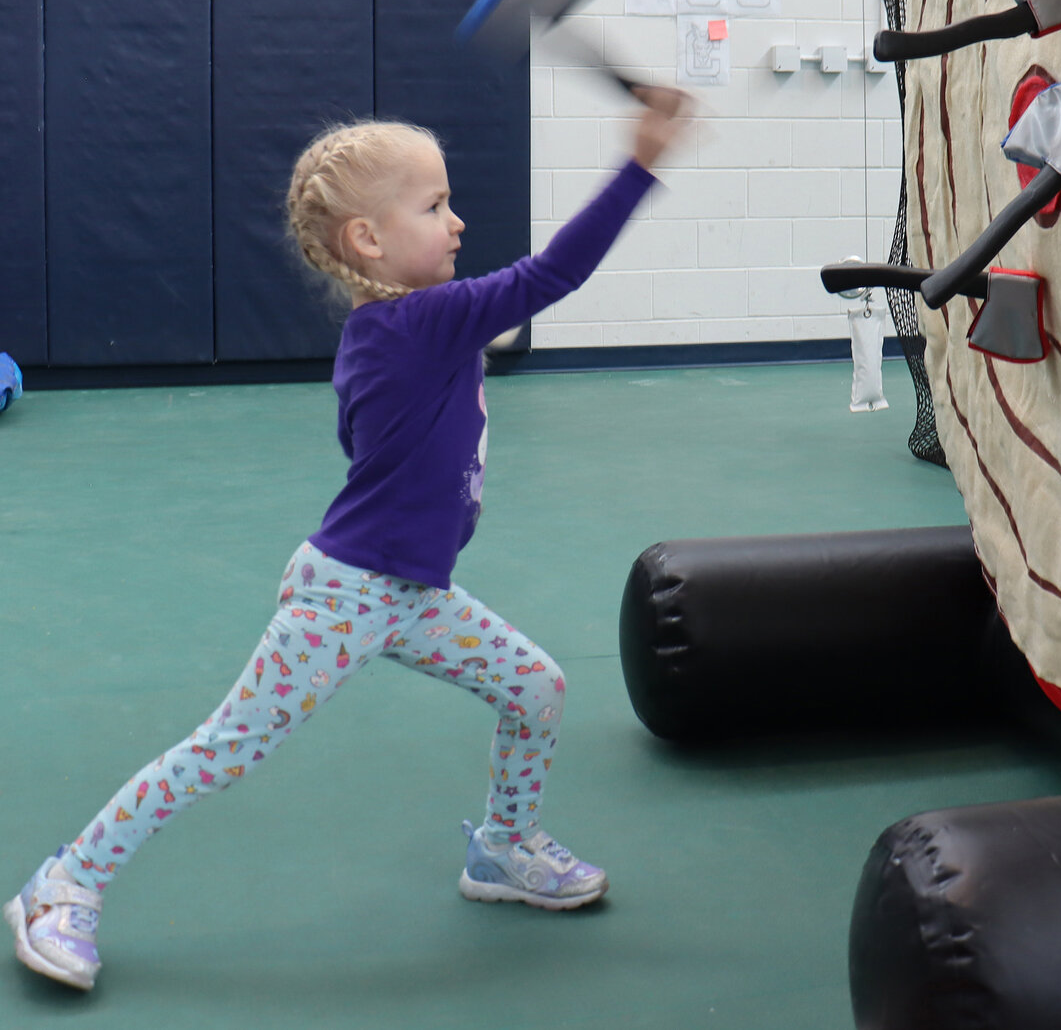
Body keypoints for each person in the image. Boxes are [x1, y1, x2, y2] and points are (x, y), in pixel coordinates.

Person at [5, 88, 691, 991]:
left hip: (411, 592)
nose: (457, 221)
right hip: (350, 597)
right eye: (434, 206)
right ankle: (65, 883)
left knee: (535, 686)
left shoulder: (393, 332)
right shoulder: (420, 325)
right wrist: (641, 161)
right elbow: (551, 275)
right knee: (226, 748)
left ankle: (502, 848)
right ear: (366, 240)